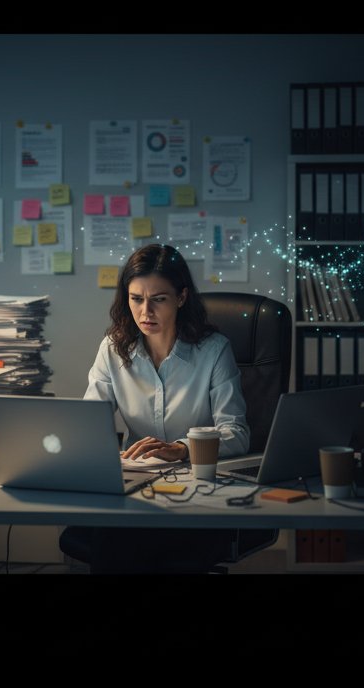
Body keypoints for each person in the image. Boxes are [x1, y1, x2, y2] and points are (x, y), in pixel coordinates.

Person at [61, 243, 250, 572]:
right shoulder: (113, 349)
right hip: (136, 491)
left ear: (181, 297)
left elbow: (237, 433)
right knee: (120, 536)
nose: (145, 311)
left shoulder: (214, 350)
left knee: (124, 544)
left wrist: (181, 449)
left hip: (198, 494)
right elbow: (89, 426)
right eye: (136, 299)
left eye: (158, 299)